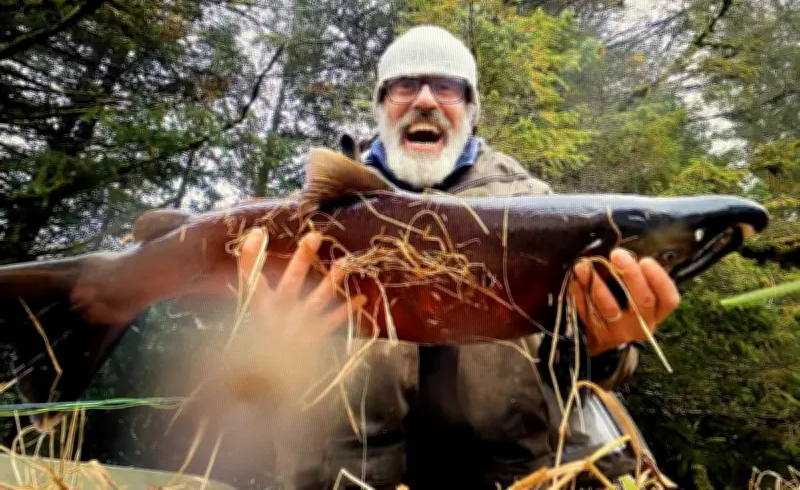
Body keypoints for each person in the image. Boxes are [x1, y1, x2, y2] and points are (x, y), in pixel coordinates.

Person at [236, 25, 681, 489]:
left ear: (471, 110)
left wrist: (606, 349)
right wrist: (271, 345)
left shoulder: (542, 211)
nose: (425, 100)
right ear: (381, 106)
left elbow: (586, 375)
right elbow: (246, 381)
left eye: (447, 87)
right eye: (405, 85)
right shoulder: (313, 215)